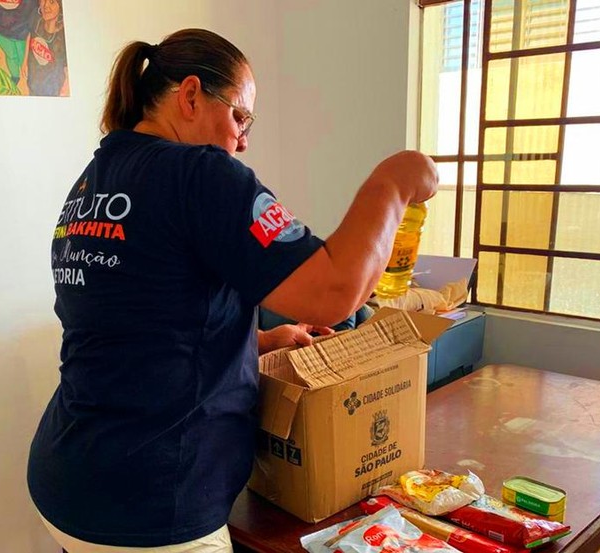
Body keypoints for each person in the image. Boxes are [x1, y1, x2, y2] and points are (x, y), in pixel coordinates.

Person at [26, 28, 438, 552]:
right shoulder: (200, 174)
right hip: (152, 508)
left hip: (68, 478)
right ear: (192, 95)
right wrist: (395, 180)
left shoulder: (94, 181)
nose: (243, 140)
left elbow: (137, 329)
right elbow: (336, 290)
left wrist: (262, 342)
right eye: (240, 117)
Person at [0, 0, 39, 84]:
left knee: (23, 55)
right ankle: (15, 76)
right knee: (11, 54)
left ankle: (28, 78)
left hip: (25, 20)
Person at [20, 0, 69, 96]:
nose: (45, 5)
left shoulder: (63, 36)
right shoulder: (35, 17)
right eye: (43, 0)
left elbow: (66, 68)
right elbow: (30, 35)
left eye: (51, 2)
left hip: (51, 88)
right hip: (33, 79)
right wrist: (24, 61)